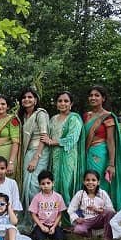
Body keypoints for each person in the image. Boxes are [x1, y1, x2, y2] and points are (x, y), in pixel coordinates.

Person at [82, 85, 121, 210]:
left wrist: (111, 164)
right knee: (88, 181)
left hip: (100, 154)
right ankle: (89, 210)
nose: (93, 98)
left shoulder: (107, 116)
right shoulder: (86, 116)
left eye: (97, 95)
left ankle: (103, 211)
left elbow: (110, 140)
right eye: (91, 95)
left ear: (103, 98)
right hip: (86, 153)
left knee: (99, 181)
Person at [42, 91, 82, 225]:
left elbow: (72, 139)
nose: (62, 103)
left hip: (68, 156)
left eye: (66, 101)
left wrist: (52, 142)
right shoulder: (53, 119)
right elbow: (46, 136)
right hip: (55, 156)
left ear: (71, 104)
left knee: (66, 185)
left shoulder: (74, 119)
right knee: (55, 185)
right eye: (60, 101)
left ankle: (69, 220)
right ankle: (56, 220)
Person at [17, 88, 50, 234]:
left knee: (34, 188)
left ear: (35, 100)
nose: (27, 99)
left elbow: (44, 136)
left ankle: (38, 222)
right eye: (24, 97)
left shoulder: (40, 114)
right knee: (25, 188)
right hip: (27, 153)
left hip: (39, 153)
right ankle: (27, 220)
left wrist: (36, 158)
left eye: (30, 97)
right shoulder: (23, 116)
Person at [67, 170, 116, 240]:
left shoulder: (102, 193)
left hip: (99, 219)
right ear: (84, 182)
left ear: (98, 182)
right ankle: (88, 234)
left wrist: (98, 210)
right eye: (87, 180)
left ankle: (108, 238)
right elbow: (71, 209)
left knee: (110, 213)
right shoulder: (80, 194)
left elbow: (111, 210)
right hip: (86, 220)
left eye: (93, 180)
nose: (90, 182)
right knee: (78, 230)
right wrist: (76, 218)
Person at [29, 170, 66, 240]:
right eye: (43, 184)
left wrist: (54, 227)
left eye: (48, 183)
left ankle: (53, 233)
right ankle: (39, 233)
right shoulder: (37, 197)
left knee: (60, 238)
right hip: (41, 224)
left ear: (53, 183)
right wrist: (41, 226)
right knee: (40, 239)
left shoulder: (58, 197)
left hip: (54, 224)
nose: (46, 186)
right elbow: (33, 214)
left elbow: (60, 214)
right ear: (39, 185)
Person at [0, 95, 20, 177]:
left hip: (7, 158)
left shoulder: (12, 119)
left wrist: (11, 162)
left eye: (3, 104)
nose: (0, 106)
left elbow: (16, 142)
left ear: (7, 106)